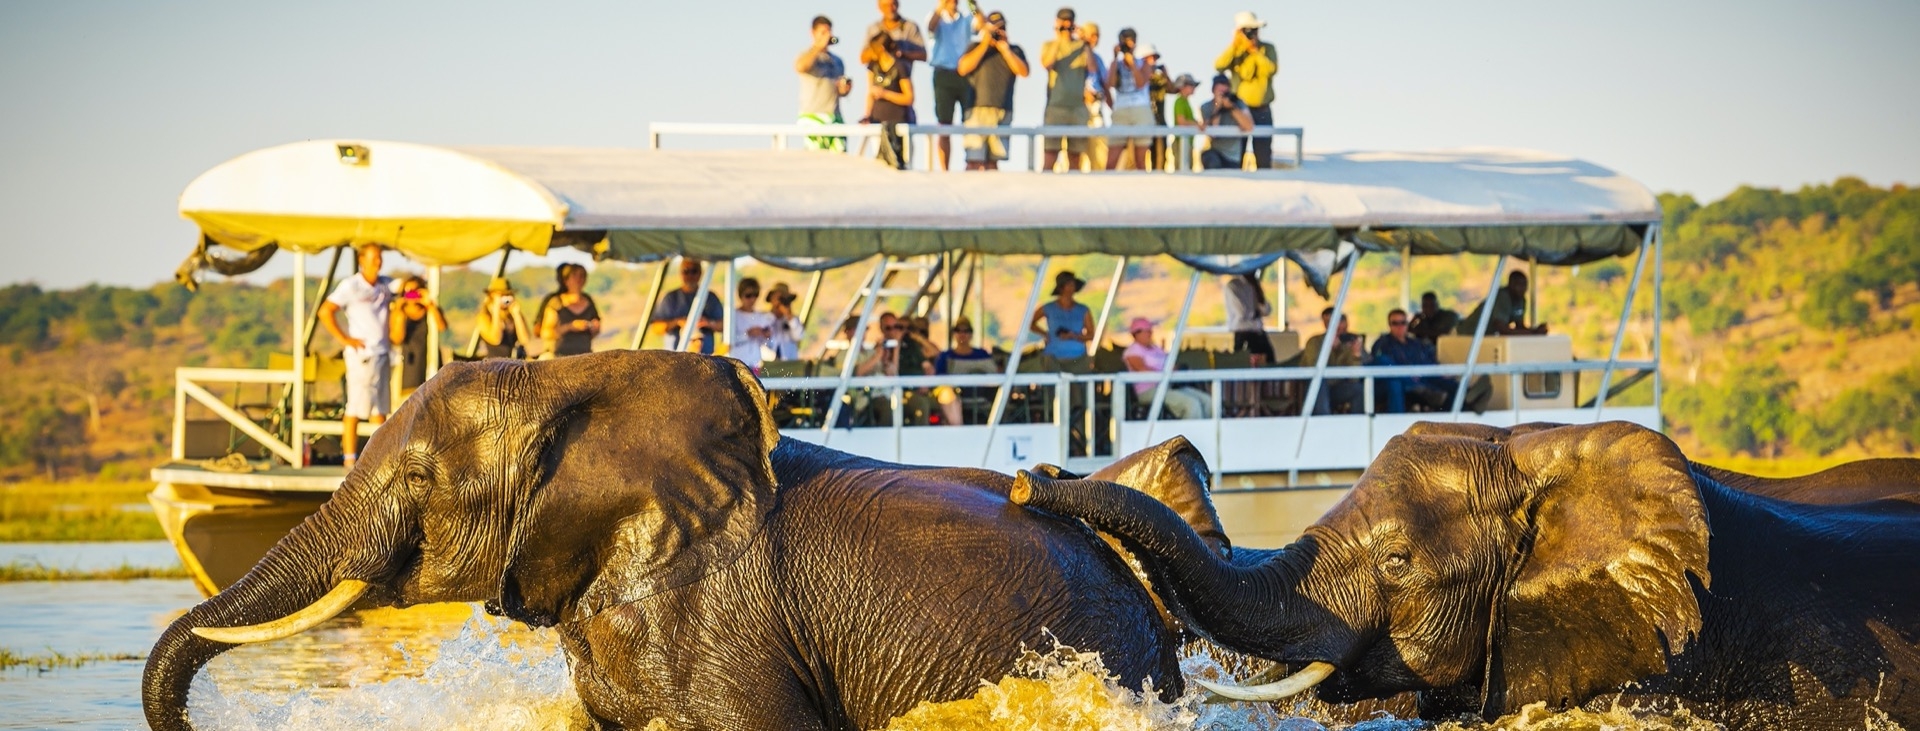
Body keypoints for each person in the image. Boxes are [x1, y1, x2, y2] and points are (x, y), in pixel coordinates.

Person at [318, 244, 393, 468]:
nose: (377, 263)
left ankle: (381, 457)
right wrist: (345, 339)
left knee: (380, 409)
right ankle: (350, 459)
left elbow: (409, 290)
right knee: (356, 407)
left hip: (382, 353)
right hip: (362, 355)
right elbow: (325, 311)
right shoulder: (351, 286)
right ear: (362, 261)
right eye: (373, 259)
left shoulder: (385, 285)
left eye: (379, 258)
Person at [957, 10, 1028, 171]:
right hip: (976, 111)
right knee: (973, 161)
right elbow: (962, 68)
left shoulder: (1014, 50)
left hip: (1002, 111)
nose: (997, 31)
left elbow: (1023, 72)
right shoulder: (974, 47)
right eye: (994, 28)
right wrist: (985, 43)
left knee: (994, 162)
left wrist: (1005, 49)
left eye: (1000, 28)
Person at [1213, 11, 1279, 168]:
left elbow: (1271, 69)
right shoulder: (1236, 52)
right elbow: (1219, 66)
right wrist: (1235, 45)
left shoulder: (1267, 49)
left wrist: (1255, 51)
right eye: (1247, 30)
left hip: (1262, 110)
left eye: (1254, 30)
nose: (1252, 34)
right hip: (1239, 111)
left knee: (1263, 154)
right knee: (1237, 154)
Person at [925, 0, 983, 170]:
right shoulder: (935, 16)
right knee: (944, 123)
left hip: (965, 75)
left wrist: (972, 4)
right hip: (943, 74)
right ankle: (944, 168)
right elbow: (931, 27)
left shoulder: (966, 19)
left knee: (970, 121)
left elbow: (981, 25)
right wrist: (942, 6)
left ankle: (971, 163)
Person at [1122, 317, 1211, 419]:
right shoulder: (1133, 351)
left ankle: (1208, 432)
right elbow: (1141, 369)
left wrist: (1179, 369)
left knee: (1207, 401)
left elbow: (1170, 364)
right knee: (1191, 404)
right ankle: (1190, 433)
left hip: (1169, 386)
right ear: (1136, 334)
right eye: (1146, 331)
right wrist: (1164, 373)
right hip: (1149, 390)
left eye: (1150, 331)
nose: (1150, 334)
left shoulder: (1156, 349)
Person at [1370, 309, 1453, 413]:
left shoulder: (1416, 344)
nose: (1399, 326)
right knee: (1394, 381)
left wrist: (1440, 372)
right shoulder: (1382, 344)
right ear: (1389, 325)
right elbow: (1381, 364)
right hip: (1401, 384)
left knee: (1452, 385)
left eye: (1403, 323)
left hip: (1424, 380)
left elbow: (1428, 361)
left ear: (1407, 324)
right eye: (1395, 323)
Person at [1039, 7, 1091, 173]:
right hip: (1056, 107)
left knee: (1075, 157)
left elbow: (1093, 69)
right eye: (1063, 21)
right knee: (1050, 155)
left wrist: (1086, 43)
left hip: (1077, 108)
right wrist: (1058, 38)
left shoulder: (1082, 46)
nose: (1066, 24)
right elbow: (1047, 64)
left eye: (1069, 21)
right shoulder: (1049, 45)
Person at [796, 15, 854, 152]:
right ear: (813, 33)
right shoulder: (807, 55)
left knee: (840, 159)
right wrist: (818, 47)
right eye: (823, 32)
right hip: (813, 116)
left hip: (835, 117)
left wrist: (845, 89)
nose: (827, 36)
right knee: (816, 162)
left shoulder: (838, 61)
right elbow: (800, 67)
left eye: (829, 32)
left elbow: (840, 92)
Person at [861, 31, 916, 170]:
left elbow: (909, 97)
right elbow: (870, 93)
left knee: (901, 165)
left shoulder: (900, 67)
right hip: (877, 121)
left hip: (899, 122)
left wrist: (885, 94)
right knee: (880, 166)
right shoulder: (873, 66)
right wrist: (867, 115)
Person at [1104, 31, 1157, 171]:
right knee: (1111, 161)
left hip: (1140, 111)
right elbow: (1110, 83)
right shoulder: (1117, 64)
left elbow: (1141, 83)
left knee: (1140, 161)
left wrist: (1132, 64)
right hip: (1121, 111)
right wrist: (1115, 59)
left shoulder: (1143, 63)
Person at [389, 275, 447, 395]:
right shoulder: (398, 312)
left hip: (430, 359)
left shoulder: (430, 309)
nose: (411, 296)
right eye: (408, 292)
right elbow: (396, 339)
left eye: (415, 291)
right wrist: (400, 313)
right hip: (409, 363)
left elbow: (442, 327)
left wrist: (429, 304)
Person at [651, 259, 725, 354]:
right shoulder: (670, 298)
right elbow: (656, 328)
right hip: (675, 359)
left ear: (700, 273)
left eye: (694, 271)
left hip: (705, 359)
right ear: (681, 273)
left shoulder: (710, 297)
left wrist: (708, 323)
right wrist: (678, 322)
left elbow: (725, 325)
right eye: (686, 271)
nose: (690, 275)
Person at [1302, 307, 1366, 415]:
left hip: (1337, 388)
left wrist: (1356, 355)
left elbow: (1355, 377)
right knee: (1320, 383)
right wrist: (1329, 350)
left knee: (1357, 389)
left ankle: (1357, 424)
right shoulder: (1315, 342)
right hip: (1317, 388)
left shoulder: (1349, 342)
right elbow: (1315, 370)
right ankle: (1324, 422)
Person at [933, 316, 994, 425]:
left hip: (983, 396)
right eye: (958, 330)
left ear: (971, 334)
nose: (962, 334)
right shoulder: (945, 356)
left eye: (966, 331)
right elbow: (939, 378)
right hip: (956, 397)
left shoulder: (982, 354)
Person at [1457, 271, 1548, 336]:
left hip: (1485, 336)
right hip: (1467, 333)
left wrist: (1535, 330)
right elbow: (1503, 330)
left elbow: (1520, 326)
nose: (1523, 289)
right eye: (1519, 285)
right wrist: (1533, 333)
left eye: (1524, 285)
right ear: (1511, 284)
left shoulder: (1521, 300)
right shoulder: (1502, 297)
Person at [540, 263, 601, 357]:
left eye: (582, 275)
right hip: (558, 357)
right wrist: (570, 327)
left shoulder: (589, 301)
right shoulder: (556, 302)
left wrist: (594, 328)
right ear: (566, 280)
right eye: (575, 275)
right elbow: (545, 333)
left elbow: (596, 330)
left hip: (585, 356)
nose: (579, 279)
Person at [1030, 270, 1093, 359]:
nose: (1072, 287)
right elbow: (1030, 322)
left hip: (1078, 357)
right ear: (1061, 288)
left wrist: (1074, 336)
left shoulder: (1083, 310)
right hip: (1053, 356)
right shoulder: (1048, 308)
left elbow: (1091, 335)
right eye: (1069, 284)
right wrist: (1045, 334)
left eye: (1073, 284)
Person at [1198, 74, 1254, 169]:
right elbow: (1213, 134)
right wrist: (1217, 108)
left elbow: (1249, 126)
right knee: (1210, 160)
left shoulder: (1238, 103)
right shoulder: (1206, 107)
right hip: (1215, 152)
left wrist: (1232, 108)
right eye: (1220, 92)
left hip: (1233, 157)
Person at [474, 277, 534, 360]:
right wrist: (496, 311)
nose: (505, 298)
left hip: (513, 363)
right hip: (494, 365)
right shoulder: (484, 317)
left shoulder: (512, 315)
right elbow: (495, 339)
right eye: (501, 295)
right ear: (491, 296)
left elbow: (525, 340)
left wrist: (517, 315)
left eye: (508, 295)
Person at [1224, 270, 1275, 362]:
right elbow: (1241, 312)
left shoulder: (1254, 285)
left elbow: (1266, 311)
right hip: (1243, 333)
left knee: (1270, 361)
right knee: (1243, 363)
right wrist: (1254, 313)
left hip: (1258, 332)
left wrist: (1259, 293)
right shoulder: (1233, 286)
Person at [1078, 22, 1109, 170]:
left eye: (1097, 35)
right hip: (1079, 108)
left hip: (1096, 107)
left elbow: (1105, 83)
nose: (1095, 39)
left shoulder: (1099, 59)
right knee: (1078, 151)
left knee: (1100, 150)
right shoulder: (1075, 55)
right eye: (1092, 35)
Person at [730, 277, 777, 372]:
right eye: (748, 295)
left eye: (755, 295)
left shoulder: (761, 317)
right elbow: (729, 341)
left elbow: (769, 345)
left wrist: (767, 336)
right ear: (740, 295)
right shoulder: (733, 316)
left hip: (756, 364)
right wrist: (747, 334)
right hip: (737, 365)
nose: (752, 299)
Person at [863, 0, 929, 67]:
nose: (890, 9)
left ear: (898, 4)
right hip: (877, 74)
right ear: (879, 7)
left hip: (902, 74)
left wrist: (903, 54)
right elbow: (862, 58)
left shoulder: (910, 26)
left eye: (893, 4)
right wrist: (879, 50)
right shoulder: (873, 29)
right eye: (886, 6)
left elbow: (923, 55)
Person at [764, 282, 804, 361]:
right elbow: (763, 331)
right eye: (778, 299)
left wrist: (788, 315)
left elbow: (799, 336)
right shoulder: (764, 318)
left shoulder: (793, 319)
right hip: (768, 366)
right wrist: (774, 312)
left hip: (789, 365)